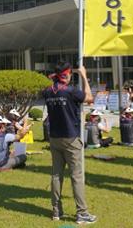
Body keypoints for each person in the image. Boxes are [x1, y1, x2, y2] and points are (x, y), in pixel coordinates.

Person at [42, 63, 97, 224]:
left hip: (54, 138)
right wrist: (84, 76)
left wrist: (54, 78)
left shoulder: (48, 91)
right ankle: (82, 213)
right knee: (77, 176)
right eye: (71, 74)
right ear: (66, 75)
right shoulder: (71, 92)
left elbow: (51, 85)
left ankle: (56, 211)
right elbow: (89, 98)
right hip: (71, 138)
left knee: (56, 175)